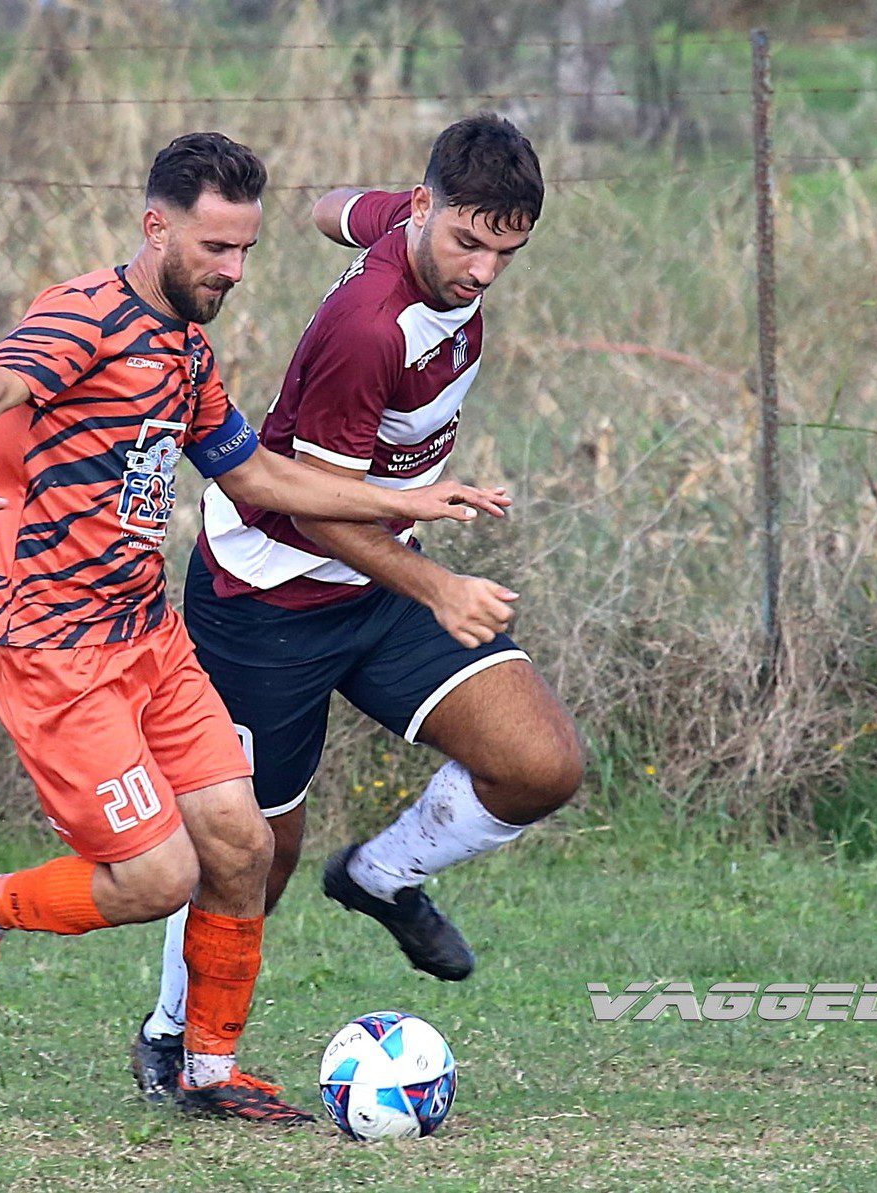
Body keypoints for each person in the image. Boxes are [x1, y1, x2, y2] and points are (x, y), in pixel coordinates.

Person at [0, 131, 509, 1124]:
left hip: (148, 632)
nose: (232, 271)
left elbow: (257, 475)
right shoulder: (86, 316)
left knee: (243, 843)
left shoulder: (187, 348)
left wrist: (413, 492)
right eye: (215, 249)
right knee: (156, 873)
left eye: (245, 253)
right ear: (157, 227)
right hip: (56, 646)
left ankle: (209, 1069)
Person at [132, 115, 584, 1102]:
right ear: (428, 211)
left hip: (377, 582)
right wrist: (442, 586)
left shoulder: (416, 226)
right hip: (270, 600)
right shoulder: (365, 330)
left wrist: (330, 211)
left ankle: (380, 876)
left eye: (507, 250)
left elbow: (339, 209)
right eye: (470, 243)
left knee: (541, 762)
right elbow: (308, 508)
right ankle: (171, 1036)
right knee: (255, 851)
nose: (485, 272)